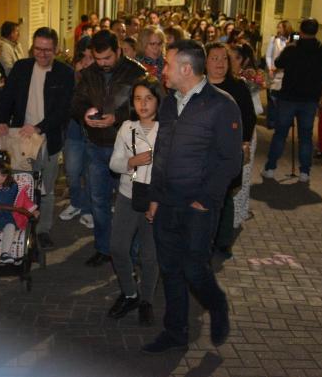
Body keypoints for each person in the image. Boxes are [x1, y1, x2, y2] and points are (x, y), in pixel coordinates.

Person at [142, 40, 241, 354]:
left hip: (198, 207)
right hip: (167, 203)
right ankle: (176, 332)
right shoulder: (170, 103)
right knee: (170, 269)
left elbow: (231, 161)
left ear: (186, 68)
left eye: (168, 65)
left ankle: (217, 303)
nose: (163, 70)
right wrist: (155, 196)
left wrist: (207, 199)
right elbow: (162, 152)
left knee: (194, 270)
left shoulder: (222, 105)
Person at [0, 27, 74, 249]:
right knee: (21, 185)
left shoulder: (65, 74)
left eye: (47, 50)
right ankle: (18, 226)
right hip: (22, 139)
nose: (42, 54)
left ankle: (42, 230)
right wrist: (1, 120)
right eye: (38, 49)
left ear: (56, 49)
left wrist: (40, 128)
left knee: (45, 189)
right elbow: (6, 97)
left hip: (48, 139)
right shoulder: (21, 68)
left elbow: (63, 110)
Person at [73, 30, 146, 267]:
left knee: (129, 203)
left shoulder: (138, 74)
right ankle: (103, 248)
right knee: (98, 201)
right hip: (96, 145)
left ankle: (131, 253)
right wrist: (85, 113)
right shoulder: (89, 73)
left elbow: (146, 108)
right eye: (98, 58)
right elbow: (76, 102)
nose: (102, 63)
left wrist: (117, 118)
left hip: (127, 149)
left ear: (119, 51)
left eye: (107, 58)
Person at [107, 75, 162, 326]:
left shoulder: (167, 130)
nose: (143, 104)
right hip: (128, 196)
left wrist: (159, 200)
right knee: (118, 247)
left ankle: (147, 300)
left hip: (155, 201)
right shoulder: (126, 128)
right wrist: (131, 162)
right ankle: (130, 293)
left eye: (149, 98)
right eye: (138, 98)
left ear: (158, 101)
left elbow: (171, 170)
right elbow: (114, 163)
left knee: (150, 256)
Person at [261, 18, 322, 183]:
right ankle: (305, 172)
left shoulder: (292, 48)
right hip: (310, 99)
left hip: (289, 97)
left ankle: (270, 168)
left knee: (280, 134)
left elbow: (279, 62)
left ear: (301, 31)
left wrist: (291, 45)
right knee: (305, 137)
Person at [205, 42, 256, 256]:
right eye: (214, 58)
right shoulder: (197, 86)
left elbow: (249, 117)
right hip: (203, 151)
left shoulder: (238, 87)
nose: (220, 63)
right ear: (205, 61)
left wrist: (244, 142)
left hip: (228, 151)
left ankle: (223, 241)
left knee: (225, 195)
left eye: (224, 59)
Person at [58, 49, 95, 229]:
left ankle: (88, 209)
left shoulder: (99, 77)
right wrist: (75, 76)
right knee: (72, 171)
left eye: (91, 58)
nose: (87, 61)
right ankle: (76, 202)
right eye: (84, 57)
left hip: (93, 132)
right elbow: (66, 101)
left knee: (90, 172)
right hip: (74, 130)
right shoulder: (72, 76)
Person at [265, 20, 292, 129]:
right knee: (273, 97)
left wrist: (290, 44)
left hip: (286, 73)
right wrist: (270, 67)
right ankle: (272, 121)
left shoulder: (291, 40)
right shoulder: (274, 39)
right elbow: (268, 55)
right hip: (274, 71)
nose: (278, 30)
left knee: (283, 99)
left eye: (280, 27)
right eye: (278, 27)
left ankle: (282, 120)